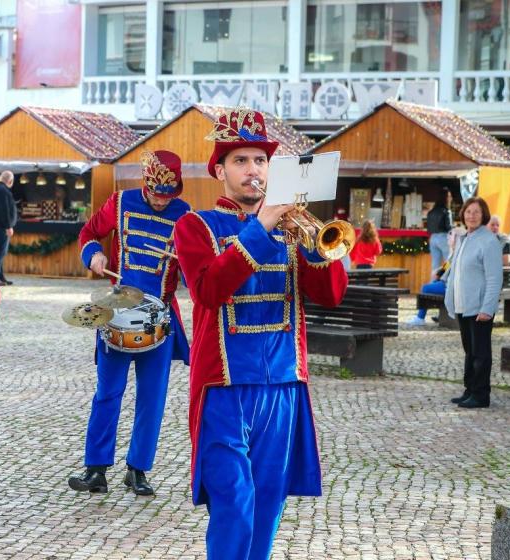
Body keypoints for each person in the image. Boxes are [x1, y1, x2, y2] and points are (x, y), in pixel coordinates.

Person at [173, 108, 348, 559]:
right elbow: (210, 289)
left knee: (268, 505)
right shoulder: (195, 226)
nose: (252, 170)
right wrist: (263, 224)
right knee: (235, 505)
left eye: (259, 160)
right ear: (219, 170)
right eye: (240, 161)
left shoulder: (295, 228)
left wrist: (318, 249)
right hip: (225, 386)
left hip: (284, 383)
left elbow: (331, 295)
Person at [68, 150, 190, 497]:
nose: (161, 200)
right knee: (108, 393)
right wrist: (93, 254)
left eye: (168, 195)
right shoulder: (120, 202)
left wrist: (188, 262)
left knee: (153, 397)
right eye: (155, 193)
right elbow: (89, 233)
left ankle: (137, 469)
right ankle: (96, 469)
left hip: (159, 318)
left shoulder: (186, 216)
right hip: (117, 314)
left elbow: (197, 268)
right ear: (145, 184)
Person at [444, 197, 503, 409]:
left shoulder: (489, 241)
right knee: (470, 351)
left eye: (476, 212)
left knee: (480, 353)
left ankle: (481, 394)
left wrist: (488, 308)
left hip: (479, 307)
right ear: (463, 214)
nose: (472, 215)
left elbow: (494, 278)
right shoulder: (464, 238)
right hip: (463, 305)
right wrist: (450, 300)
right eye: (469, 211)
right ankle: (469, 389)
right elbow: (455, 273)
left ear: (483, 215)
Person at [426, 188, 453, 278]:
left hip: (433, 238)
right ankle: (445, 282)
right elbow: (449, 228)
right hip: (444, 238)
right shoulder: (446, 211)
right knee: (448, 263)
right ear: (445, 198)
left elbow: (428, 228)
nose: (451, 198)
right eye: (449, 196)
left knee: (435, 265)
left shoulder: (431, 212)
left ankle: (433, 284)